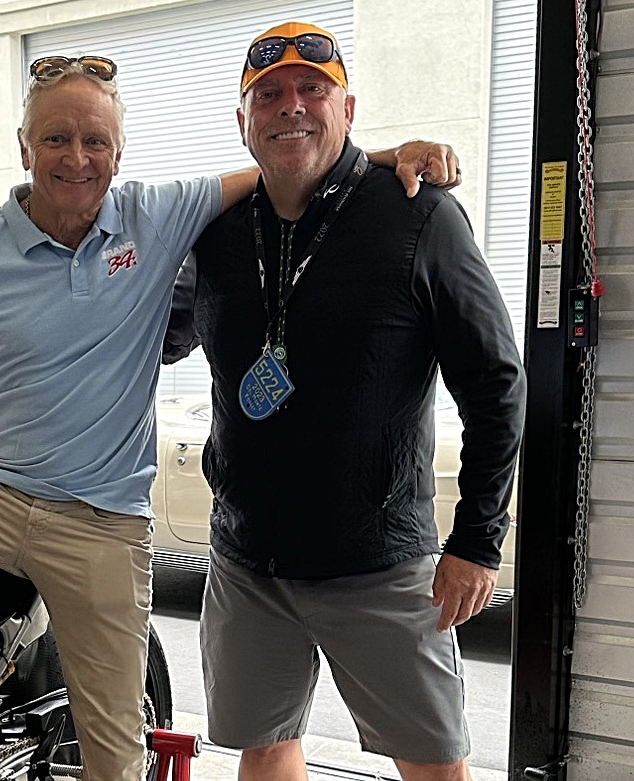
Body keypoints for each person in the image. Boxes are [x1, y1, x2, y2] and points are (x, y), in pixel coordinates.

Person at [0, 53, 458, 781]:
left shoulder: (154, 216)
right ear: (24, 147)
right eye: (57, 139)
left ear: (118, 155)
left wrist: (383, 157)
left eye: (95, 141)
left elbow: (287, 166)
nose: (77, 158)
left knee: (115, 757)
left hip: (98, 523)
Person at [163, 21, 527, 781]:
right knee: (263, 749)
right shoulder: (220, 231)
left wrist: (477, 541)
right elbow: (159, 336)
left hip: (380, 565)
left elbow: (496, 381)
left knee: (433, 763)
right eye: (268, 94)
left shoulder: (418, 217)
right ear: (242, 121)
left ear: (348, 109)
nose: (290, 106)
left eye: (311, 90)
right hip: (248, 562)